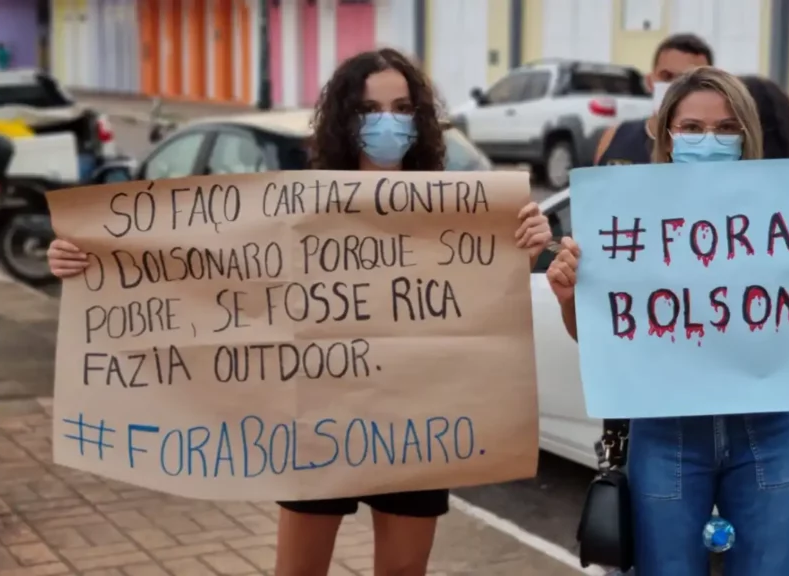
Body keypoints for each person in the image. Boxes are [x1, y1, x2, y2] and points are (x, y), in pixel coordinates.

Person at [46, 48, 553, 576]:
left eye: (402, 108)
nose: (387, 121)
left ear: (419, 118)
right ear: (344, 120)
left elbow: (489, 292)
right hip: (317, 419)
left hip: (418, 423)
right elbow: (199, 266)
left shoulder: (458, 209)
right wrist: (88, 257)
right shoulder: (297, 209)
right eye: (368, 109)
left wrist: (527, 243)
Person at [547, 66, 789, 575]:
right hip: (665, 429)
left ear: (748, 136)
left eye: (727, 128)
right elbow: (606, 334)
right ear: (667, 135)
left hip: (766, 429)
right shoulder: (630, 216)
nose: (709, 140)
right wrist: (569, 298)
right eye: (692, 128)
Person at [594, 33, 714, 166]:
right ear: (650, 81)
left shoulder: (716, 148)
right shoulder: (614, 135)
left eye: (690, 79)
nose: (677, 86)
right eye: (667, 76)